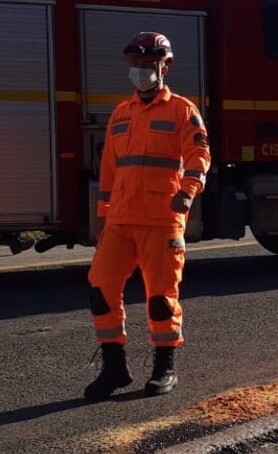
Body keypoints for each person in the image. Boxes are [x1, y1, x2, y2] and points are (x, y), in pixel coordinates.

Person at [83, 32, 212, 399]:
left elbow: (200, 158)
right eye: (135, 65)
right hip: (121, 221)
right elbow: (109, 169)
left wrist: (187, 194)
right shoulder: (121, 114)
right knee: (101, 290)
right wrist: (103, 216)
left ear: (164, 67)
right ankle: (114, 368)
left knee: (160, 297)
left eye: (148, 65)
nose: (140, 72)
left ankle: (164, 367)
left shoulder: (182, 111)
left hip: (162, 218)